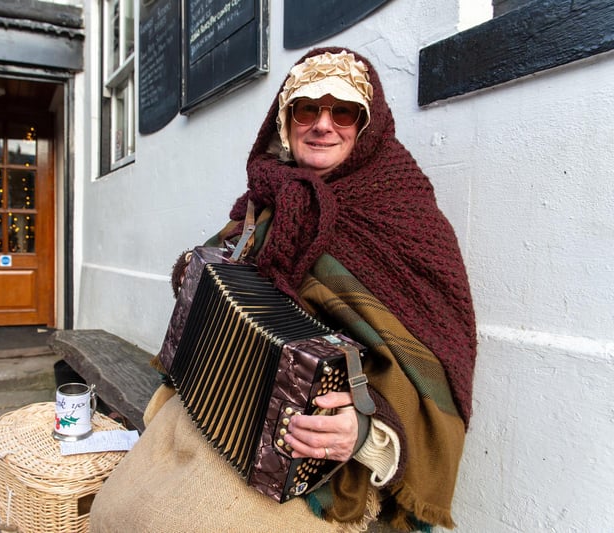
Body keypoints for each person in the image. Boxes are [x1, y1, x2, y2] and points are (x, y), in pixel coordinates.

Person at [89, 46, 476, 532]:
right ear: (285, 121)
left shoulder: (408, 216)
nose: (323, 124)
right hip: (221, 405)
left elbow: (441, 356)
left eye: (344, 111)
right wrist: (196, 274)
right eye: (307, 108)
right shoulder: (270, 198)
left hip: (314, 456)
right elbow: (217, 270)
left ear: (367, 125)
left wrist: (366, 430)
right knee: (114, 510)